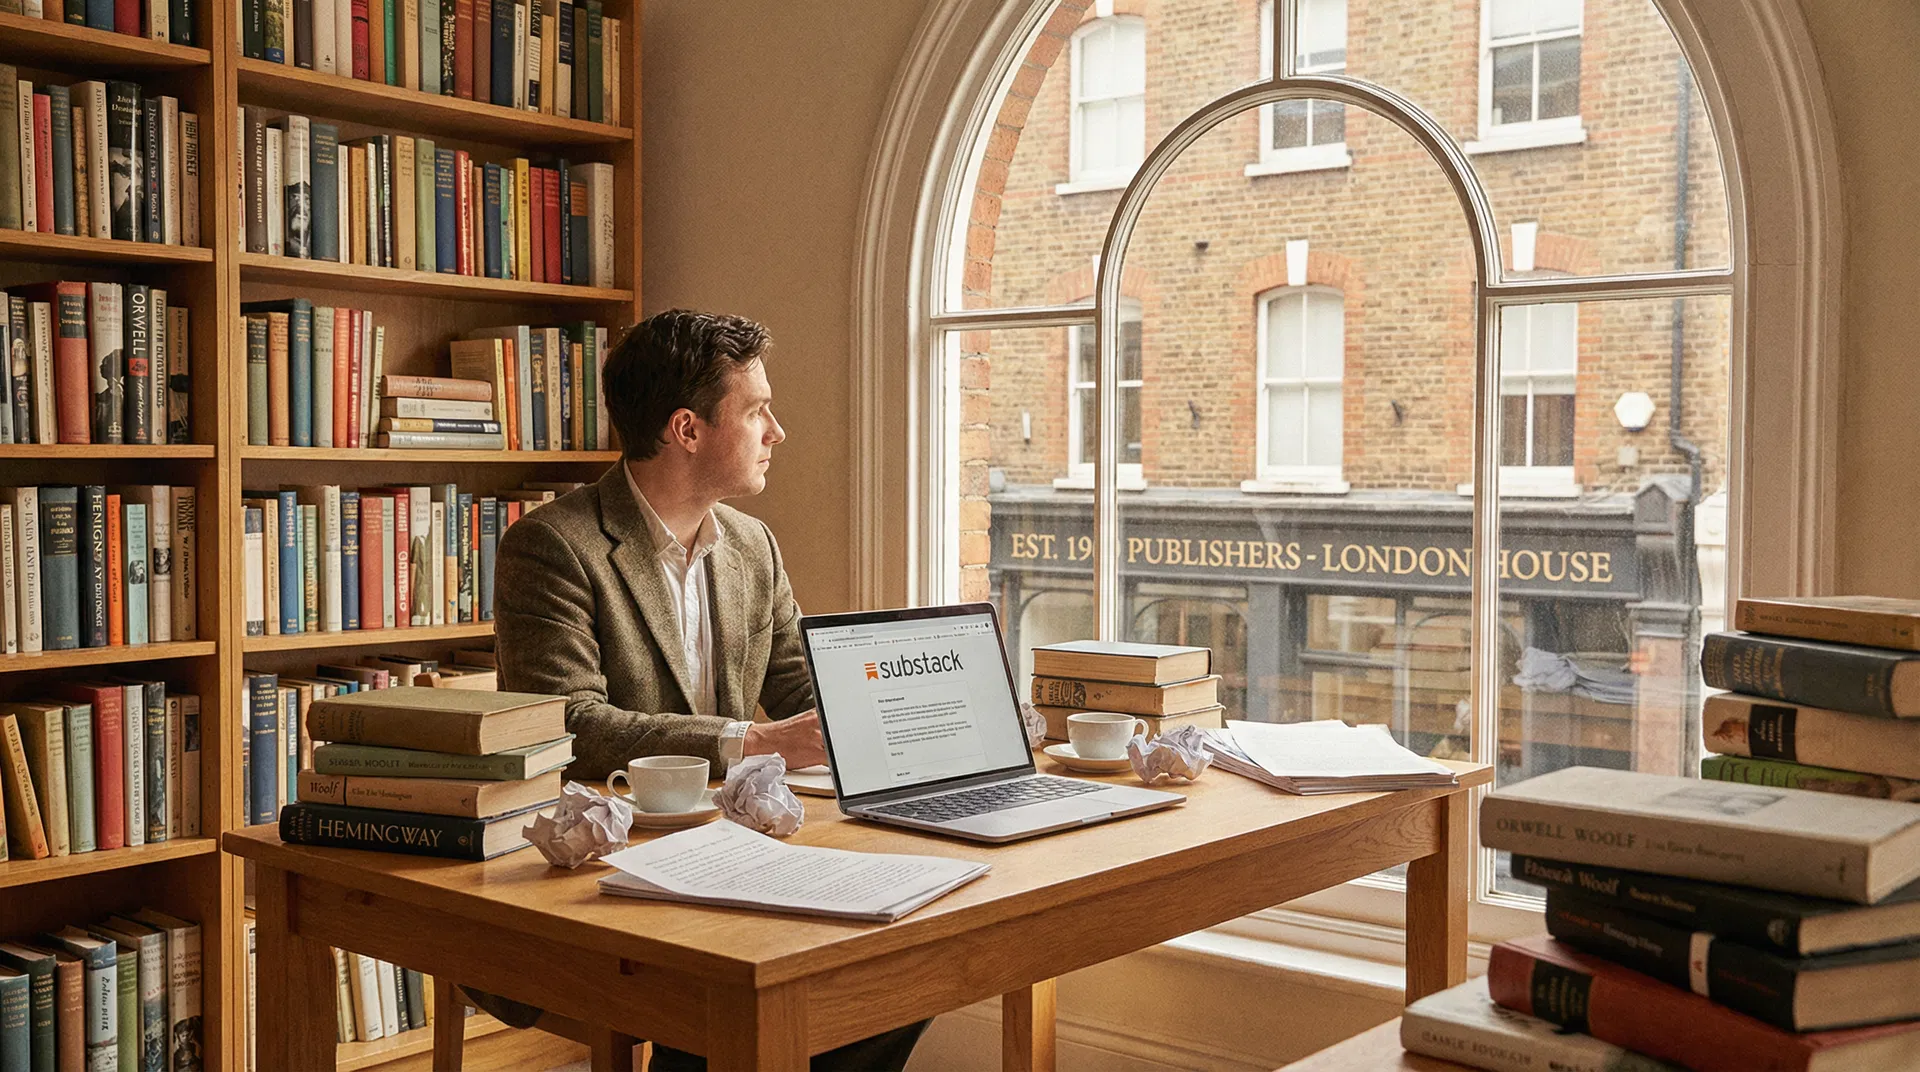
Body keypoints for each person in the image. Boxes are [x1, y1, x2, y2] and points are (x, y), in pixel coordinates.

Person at [488, 309, 927, 1072]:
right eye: (756, 410)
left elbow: (801, 689)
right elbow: (570, 725)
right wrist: (752, 742)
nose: (776, 431)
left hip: (735, 850)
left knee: (905, 969)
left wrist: (928, 704)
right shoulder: (553, 545)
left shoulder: (752, 546)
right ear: (687, 429)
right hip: (605, 867)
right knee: (758, 998)